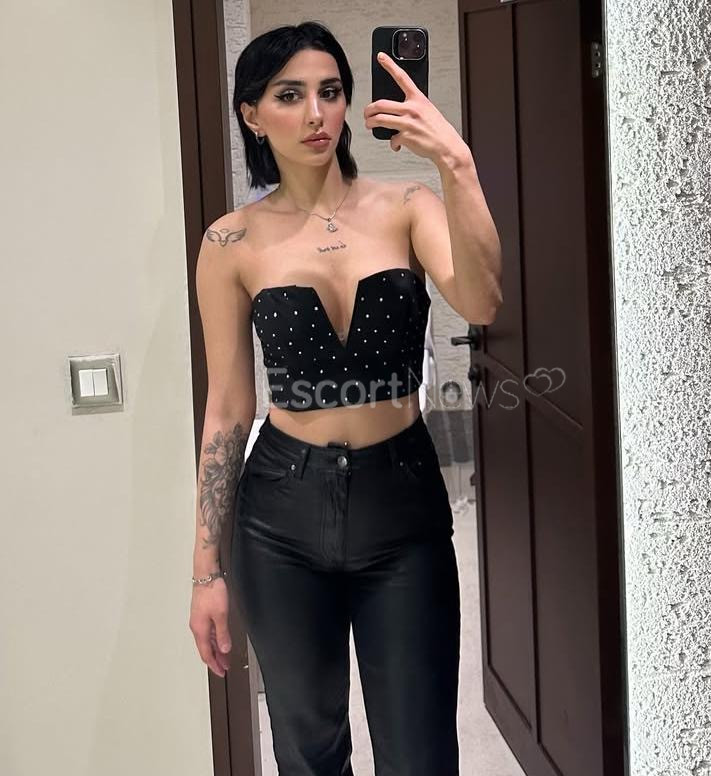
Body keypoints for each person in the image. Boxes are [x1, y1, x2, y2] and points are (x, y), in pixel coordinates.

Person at [188, 20, 502, 776]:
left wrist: (456, 163)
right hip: (280, 514)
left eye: (329, 91)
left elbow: (482, 299)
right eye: (289, 95)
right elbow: (228, 409)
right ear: (252, 114)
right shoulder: (231, 242)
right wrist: (205, 572)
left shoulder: (408, 206)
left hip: (402, 501)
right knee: (307, 748)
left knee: (421, 750)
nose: (315, 113)